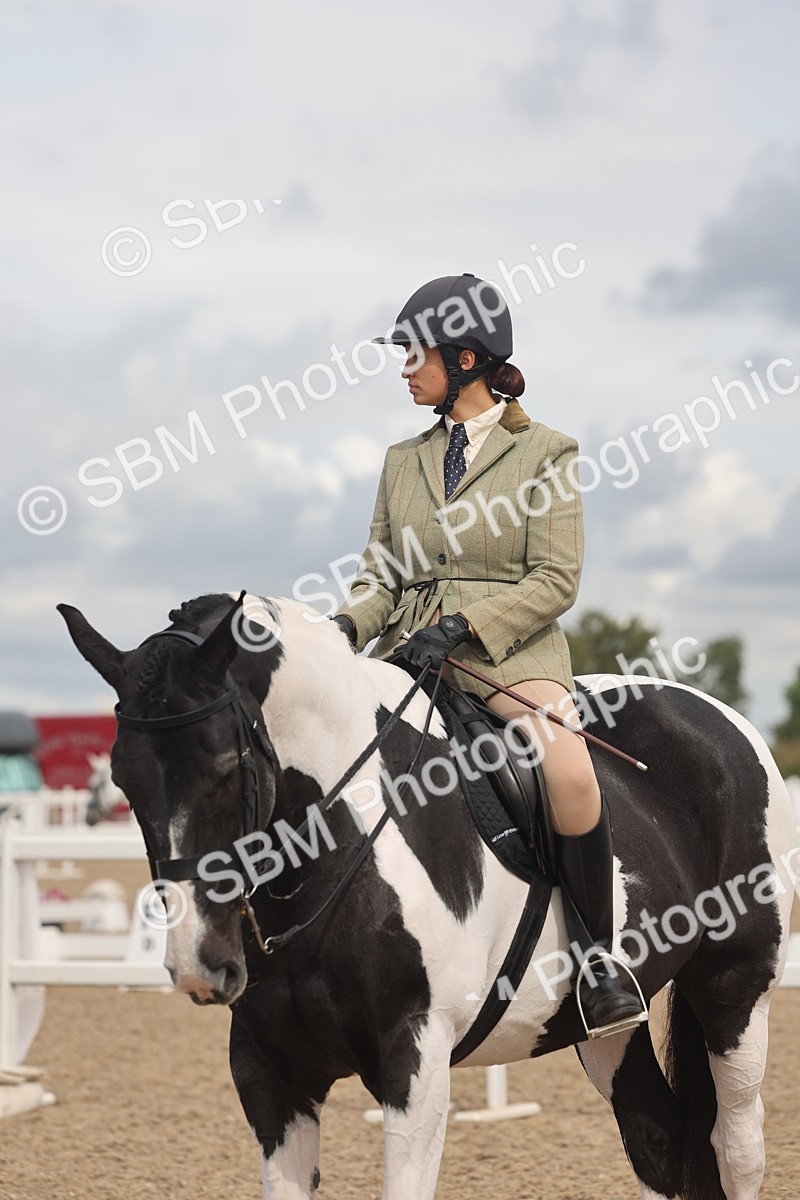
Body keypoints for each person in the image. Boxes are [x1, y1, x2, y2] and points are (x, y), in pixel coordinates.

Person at [332, 273, 646, 1038]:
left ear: (465, 359)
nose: (405, 366)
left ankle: (599, 962)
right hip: (407, 651)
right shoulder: (402, 460)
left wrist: (467, 627)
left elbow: (556, 578)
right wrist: (343, 628)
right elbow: (382, 571)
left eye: (416, 353)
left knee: (567, 765)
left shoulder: (545, 451)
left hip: (505, 657)